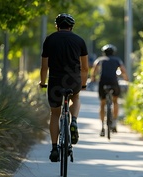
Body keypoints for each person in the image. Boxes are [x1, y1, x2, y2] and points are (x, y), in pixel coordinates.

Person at [40, 13, 89, 162]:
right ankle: (73, 120)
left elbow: (44, 67)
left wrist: (43, 83)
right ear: (71, 27)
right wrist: (83, 84)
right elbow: (85, 68)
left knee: (55, 114)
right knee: (76, 97)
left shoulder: (49, 40)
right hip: (73, 80)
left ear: (57, 26)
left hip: (55, 81)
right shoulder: (79, 41)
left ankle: (54, 148)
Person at [90, 44, 128, 136]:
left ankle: (102, 126)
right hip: (114, 83)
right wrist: (126, 79)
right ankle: (114, 122)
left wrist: (93, 78)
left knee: (102, 103)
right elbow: (123, 71)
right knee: (115, 101)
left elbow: (94, 69)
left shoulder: (100, 60)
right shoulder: (117, 60)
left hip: (102, 83)